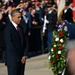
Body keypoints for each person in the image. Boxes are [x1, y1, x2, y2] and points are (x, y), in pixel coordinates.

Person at [4, 9, 27, 75]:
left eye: (21, 17)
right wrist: (19, 57)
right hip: (13, 60)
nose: (20, 19)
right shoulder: (8, 29)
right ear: (12, 17)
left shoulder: (20, 28)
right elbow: (10, 45)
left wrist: (24, 55)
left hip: (22, 60)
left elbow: (24, 43)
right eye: (18, 17)